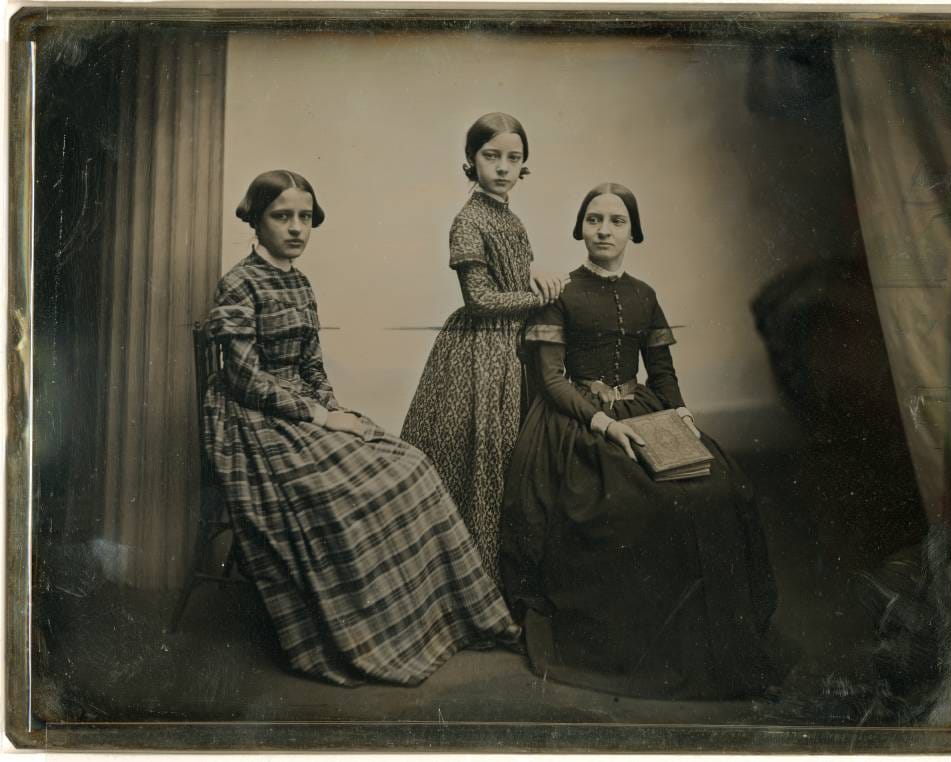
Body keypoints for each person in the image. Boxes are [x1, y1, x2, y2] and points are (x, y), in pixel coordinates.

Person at [203, 169, 519, 686]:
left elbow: (312, 366)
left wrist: (335, 412)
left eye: (305, 217)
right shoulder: (239, 282)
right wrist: (318, 417)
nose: (296, 228)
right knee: (360, 488)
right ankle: (368, 633)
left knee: (412, 465)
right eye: (282, 216)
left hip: (304, 409)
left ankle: (425, 624)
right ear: (256, 220)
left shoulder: (300, 282)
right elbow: (243, 377)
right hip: (252, 421)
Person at [500, 182, 778, 699]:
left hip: (644, 410)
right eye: (594, 220)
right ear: (580, 228)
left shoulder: (645, 295)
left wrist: (681, 415)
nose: (604, 230)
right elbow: (552, 380)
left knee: (721, 488)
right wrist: (603, 423)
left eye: (616, 221)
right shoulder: (561, 294)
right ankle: (644, 643)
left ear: (633, 231)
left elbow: (663, 372)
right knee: (634, 502)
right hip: (577, 422)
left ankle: (709, 639)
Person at [401, 113, 566, 582]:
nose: (503, 167)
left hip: (515, 349)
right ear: (471, 160)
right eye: (491, 156)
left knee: (514, 460)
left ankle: (508, 576)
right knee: (483, 463)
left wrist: (535, 274)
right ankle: (474, 582)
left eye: (514, 158)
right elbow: (480, 300)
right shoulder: (468, 220)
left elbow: (513, 272)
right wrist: (542, 298)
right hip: (480, 353)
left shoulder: (510, 217)